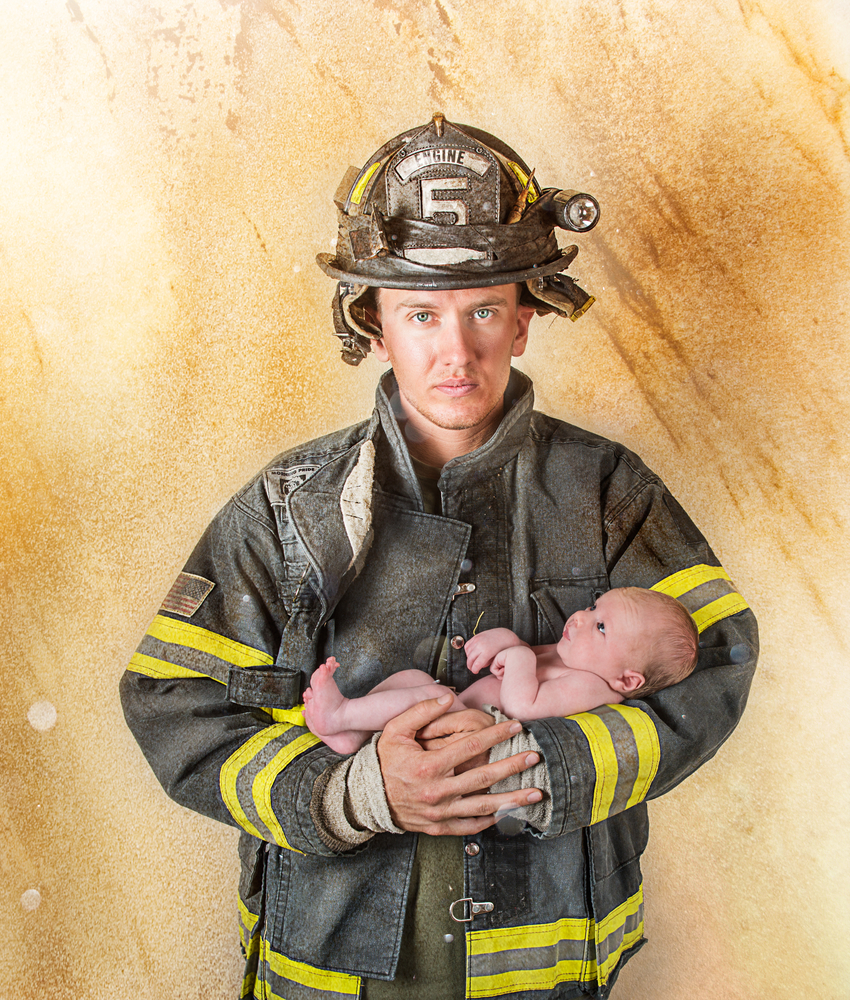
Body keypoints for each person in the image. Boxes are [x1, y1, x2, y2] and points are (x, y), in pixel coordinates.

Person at [120, 114, 757, 1000]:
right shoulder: (288, 504)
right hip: (327, 962)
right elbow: (172, 701)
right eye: (421, 315)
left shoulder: (609, 491)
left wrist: (537, 765)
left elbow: (714, 661)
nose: (456, 353)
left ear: (524, 321)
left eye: (484, 311)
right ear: (375, 326)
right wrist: (353, 794)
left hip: (547, 973)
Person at [304, 587, 699, 754]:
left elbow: (523, 705)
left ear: (627, 680)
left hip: (468, 734)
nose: (580, 616)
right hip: (457, 711)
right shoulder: (573, 657)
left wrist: (519, 656)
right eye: (594, 607)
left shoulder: (595, 688)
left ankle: (340, 714)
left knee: (429, 695)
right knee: (414, 681)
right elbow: (523, 656)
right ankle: (353, 732)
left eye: (600, 627)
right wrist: (509, 642)